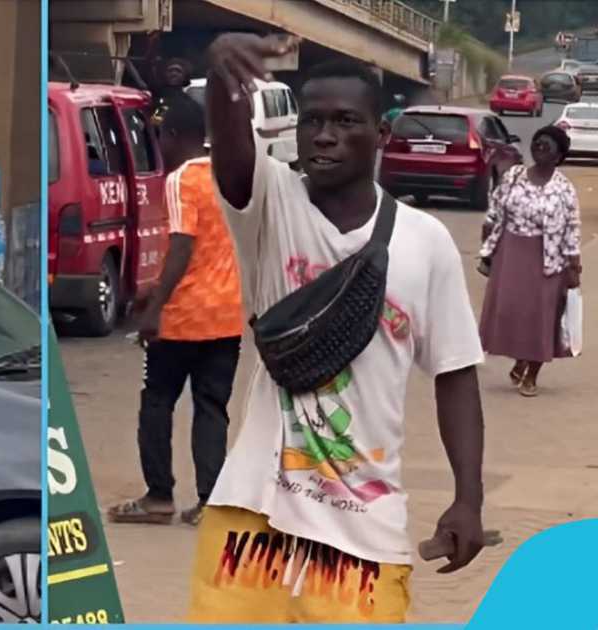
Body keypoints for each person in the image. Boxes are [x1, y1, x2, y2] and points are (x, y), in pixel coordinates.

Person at [187, 34, 487, 623]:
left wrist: (468, 500)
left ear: (381, 135)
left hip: (365, 532)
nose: (325, 135)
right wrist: (223, 77)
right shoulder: (271, 205)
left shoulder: (426, 243)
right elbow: (231, 149)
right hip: (254, 518)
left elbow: (455, 375)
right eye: (313, 121)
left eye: (346, 121)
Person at [107, 93, 244, 527]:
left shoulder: (180, 179)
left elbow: (183, 245)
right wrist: (152, 290)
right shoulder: (226, 175)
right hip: (227, 316)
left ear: (174, 135)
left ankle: (159, 496)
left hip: (184, 318)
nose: (159, 147)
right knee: (212, 408)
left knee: (157, 401)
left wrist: (155, 309)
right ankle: (210, 502)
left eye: (160, 137)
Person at [479, 125, 581, 397]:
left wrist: (574, 266)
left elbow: (572, 227)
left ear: (559, 155)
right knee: (512, 312)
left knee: (542, 317)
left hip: (549, 258)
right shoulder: (514, 176)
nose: (539, 147)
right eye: (537, 142)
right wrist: (486, 248)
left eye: (546, 145)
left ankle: (532, 374)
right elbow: (494, 212)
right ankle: (520, 359)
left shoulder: (564, 189)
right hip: (511, 252)